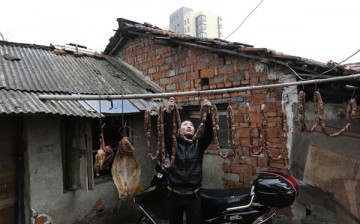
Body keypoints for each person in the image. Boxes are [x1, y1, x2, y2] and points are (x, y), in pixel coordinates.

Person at [163, 97, 213, 224]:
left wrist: (208, 113)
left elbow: (209, 134)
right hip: (174, 195)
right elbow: (165, 132)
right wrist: (168, 112)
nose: (189, 126)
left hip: (193, 196)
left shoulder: (198, 145)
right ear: (179, 130)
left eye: (191, 125)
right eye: (185, 125)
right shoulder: (173, 144)